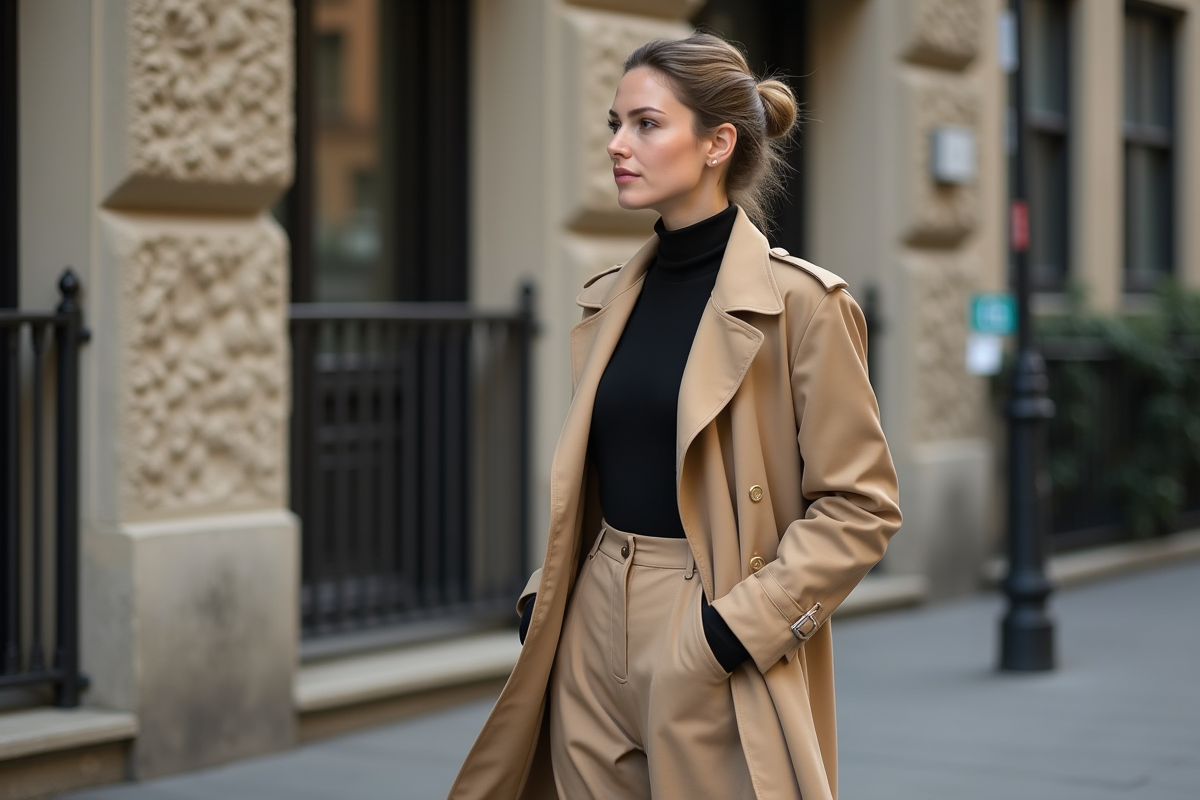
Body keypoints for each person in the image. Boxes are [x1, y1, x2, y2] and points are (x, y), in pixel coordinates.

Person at [449, 32, 901, 800]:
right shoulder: (608, 298)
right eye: (614, 124)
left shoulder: (803, 306)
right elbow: (600, 477)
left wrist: (731, 631)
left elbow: (862, 506)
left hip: (709, 614)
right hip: (590, 618)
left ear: (717, 142)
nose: (618, 146)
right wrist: (546, 598)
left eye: (646, 124)